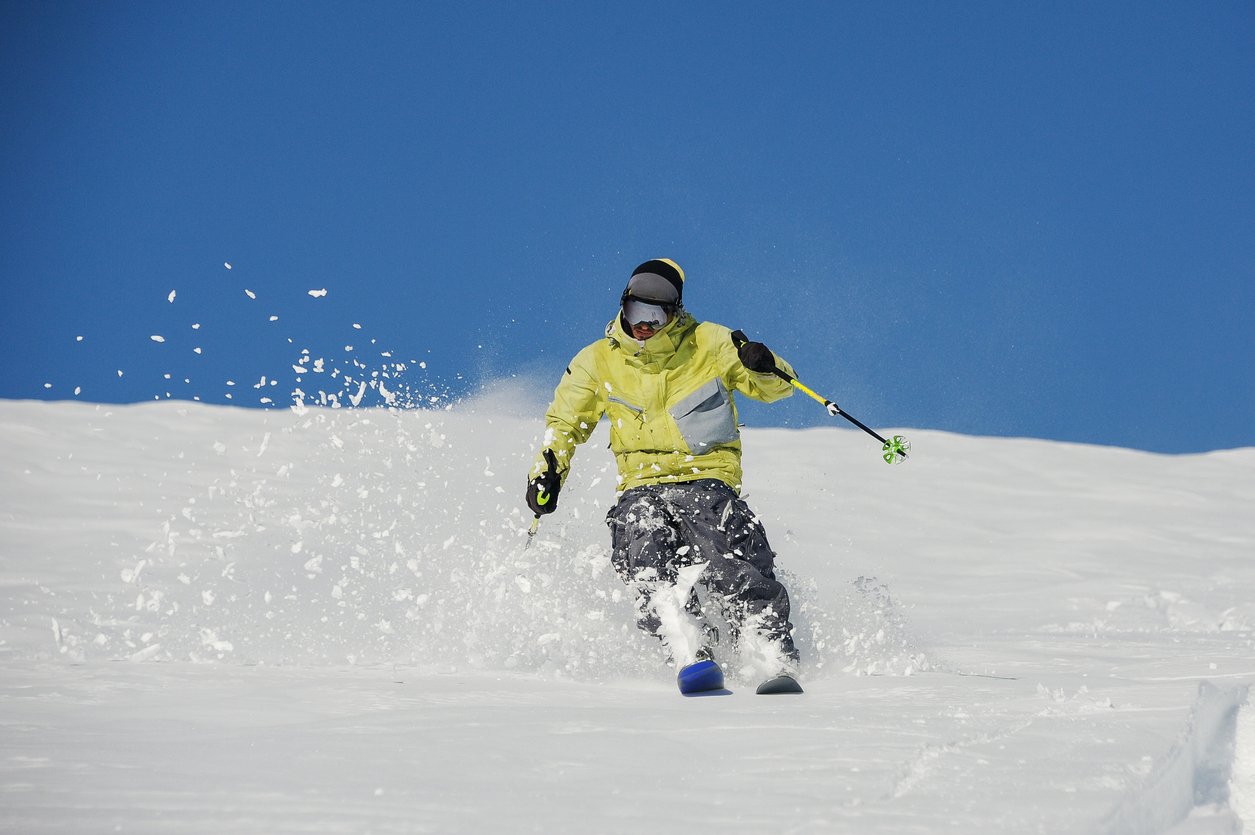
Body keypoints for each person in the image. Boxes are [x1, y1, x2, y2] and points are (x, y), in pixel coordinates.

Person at [526, 258, 801, 688]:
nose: (644, 327)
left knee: (726, 547)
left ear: (674, 314)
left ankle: (766, 647)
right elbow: (564, 423)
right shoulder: (597, 360)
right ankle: (688, 646)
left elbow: (778, 387)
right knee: (642, 543)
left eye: (655, 317)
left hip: (706, 477)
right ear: (624, 307)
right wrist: (548, 471)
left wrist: (760, 362)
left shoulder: (709, 342)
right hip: (642, 485)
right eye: (637, 314)